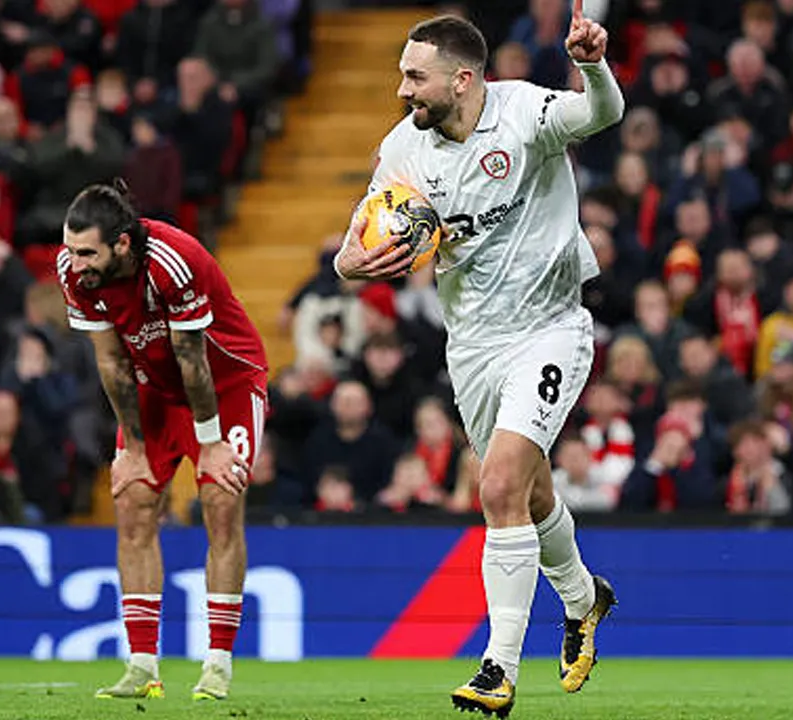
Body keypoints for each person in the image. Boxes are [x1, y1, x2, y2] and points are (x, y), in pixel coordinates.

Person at [331, 8, 622, 714]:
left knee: (496, 488)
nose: (402, 89)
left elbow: (602, 114)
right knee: (531, 493)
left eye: (413, 76)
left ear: (463, 79)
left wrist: (592, 64)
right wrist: (353, 264)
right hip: (473, 346)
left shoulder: (525, 113)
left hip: (551, 327)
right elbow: (349, 248)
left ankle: (498, 668)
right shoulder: (404, 148)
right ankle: (585, 599)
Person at [58, 183, 267, 701]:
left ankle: (216, 664)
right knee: (131, 504)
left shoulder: (175, 260)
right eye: (70, 247)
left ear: (122, 245)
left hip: (227, 383)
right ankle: (141, 666)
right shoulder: (76, 274)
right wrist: (132, 447)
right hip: (155, 387)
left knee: (219, 500)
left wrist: (213, 443)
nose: (73, 260)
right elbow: (110, 361)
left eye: (86, 251)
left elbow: (193, 360)